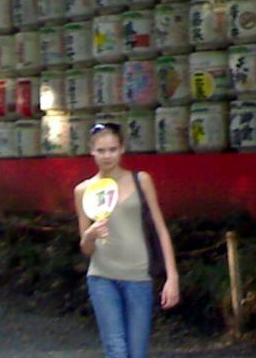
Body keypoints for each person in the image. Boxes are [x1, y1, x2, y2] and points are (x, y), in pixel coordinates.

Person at [74, 123, 180, 358]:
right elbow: (86, 249)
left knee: (136, 352)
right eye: (101, 150)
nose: (107, 156)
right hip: (102, 277)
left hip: (138, 277)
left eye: (112, 149)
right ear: (92, 151)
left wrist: (172, 277)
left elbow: (160, 230)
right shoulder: (83, 190)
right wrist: (90, 234)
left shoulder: (141, 180)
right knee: (116, 349)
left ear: (122, 149)